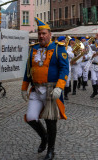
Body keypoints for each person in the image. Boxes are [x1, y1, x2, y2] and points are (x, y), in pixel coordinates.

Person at [21, 17, 69, 160]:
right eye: (39, 33)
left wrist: (59, 87)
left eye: (44, 33)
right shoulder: (33, 49)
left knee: (50, 120)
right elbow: (28, 69)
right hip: (36, 89)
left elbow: (65, 68)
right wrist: (24, 88)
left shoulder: (58, 48)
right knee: (30, 118)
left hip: (51, 90)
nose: (41, 36)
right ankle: (44, 137)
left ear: (50, 34)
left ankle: (51, 150)